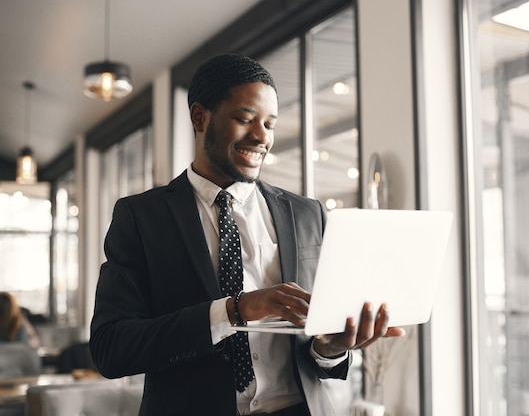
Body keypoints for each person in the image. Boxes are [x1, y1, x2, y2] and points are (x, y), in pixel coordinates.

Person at [89, 53, 405, 416]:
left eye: (270, 124)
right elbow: (111, 349)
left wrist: (332, 348)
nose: (261, 137)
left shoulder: (307, 213)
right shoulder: (141, 216)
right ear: (199, 117)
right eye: (244, 119)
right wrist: (236, 310)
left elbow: (318, 354)